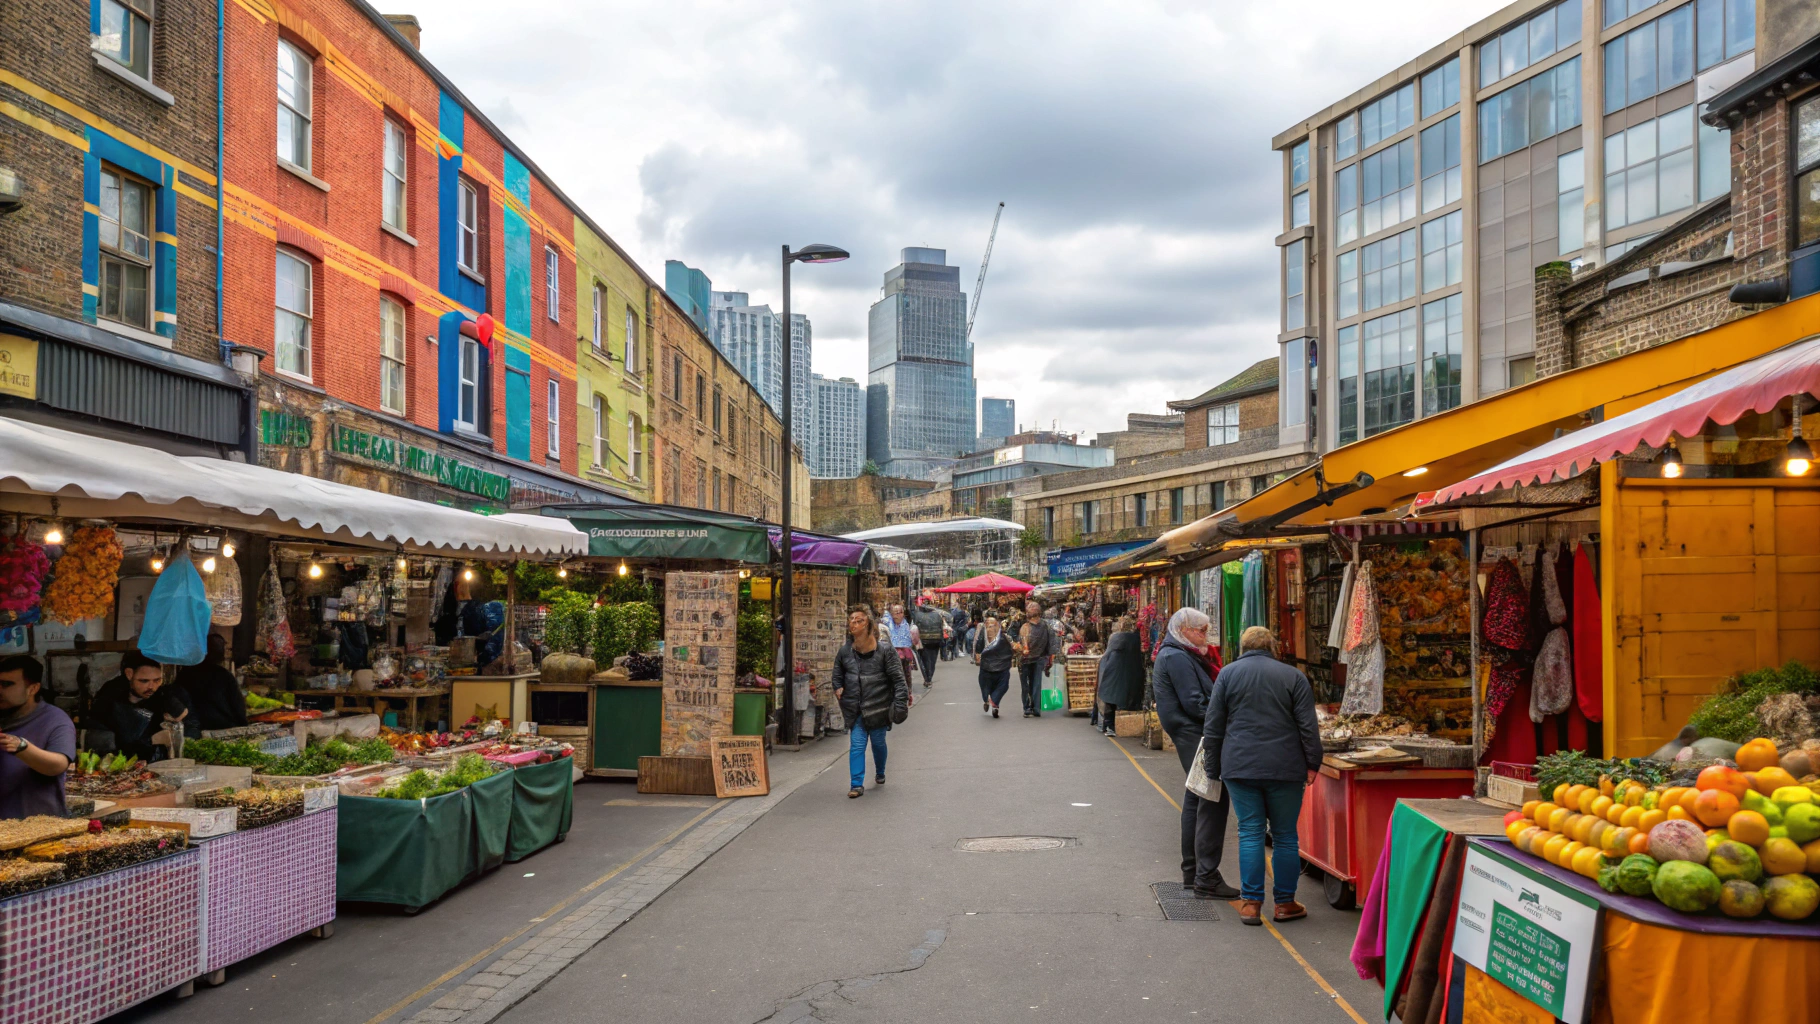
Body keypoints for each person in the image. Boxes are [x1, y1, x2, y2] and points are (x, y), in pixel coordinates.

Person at [1202, 626, 1323, 926]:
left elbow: (1214, 727)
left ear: (1243, 647)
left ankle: (1251, 904)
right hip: (1285, 767)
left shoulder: (1227, 675)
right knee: (1284, 835)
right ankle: (1284, 904)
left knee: (1250, 831)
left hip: (1240, 767)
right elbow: (1309, 728)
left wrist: (1212, 767)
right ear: (1273, 647)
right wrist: (1313, 764)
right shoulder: (1294, 677)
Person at [1152, 607, 1237, 898]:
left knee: (1197, 799)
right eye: (1200, 630)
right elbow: (1195, 703)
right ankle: (1206, 877)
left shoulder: (1178, 654)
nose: (1204, 635)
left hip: (1192, 734)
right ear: (1184, 630)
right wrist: (1227, 718)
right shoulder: (1176, 656)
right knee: (1212, 799)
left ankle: (1194, 872)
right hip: (1196, 735)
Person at [832, 605, 910, 798]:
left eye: (860, 620)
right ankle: (856, 784)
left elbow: (898, 680)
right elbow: (837, 672)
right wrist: (838, 687)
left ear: (869, 625)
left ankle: (880, 771)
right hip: (855, 707)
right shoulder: (845, 652)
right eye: (852, 620)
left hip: (879, 707)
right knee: (857, 744)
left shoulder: (885, 651)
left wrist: (900, 704)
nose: (854, 624)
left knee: (877, 742)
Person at [0, 655, 75, 819]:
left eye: (7, 684)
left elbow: (58, 764)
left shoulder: (55, 720)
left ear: (33, 689)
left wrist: (22, 747)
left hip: (35, 829)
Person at [88, 651, 189, 761]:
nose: (152, 687)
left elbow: (183, 715)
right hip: (117, 761)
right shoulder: (112, 694)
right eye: (144, 681)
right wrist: (153, 739)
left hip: (154, 761)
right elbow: (122, 740)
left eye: (157, 680)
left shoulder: (160, 692)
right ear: (129, 674)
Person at [173, 633, 248, 734]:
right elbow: (238, 706)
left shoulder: (185, 673)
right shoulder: (224, 675)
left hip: (194, 729)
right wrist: (244, 727)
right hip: (222, 727)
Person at [1095, 616, 1144, 736]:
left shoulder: (1115, 637)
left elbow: (1107, 654)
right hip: (1132, 672)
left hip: (1114, 673)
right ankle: (1129, 725)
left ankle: (1110, 726)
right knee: (1128, 698)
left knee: (1111, 698)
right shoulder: (1137, 639)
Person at [1015, 599, 1055, 718]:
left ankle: (1027, 708)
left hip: (1025, 659)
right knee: (1036, 683)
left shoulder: (1025, 627)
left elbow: (1021, 644)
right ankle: (1036, 708)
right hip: (1039, 658)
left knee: (1025, 684)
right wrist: (1049, 660)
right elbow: (1051, 644)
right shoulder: (1046, 626)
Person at [971, 612, 1014, 717]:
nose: (991, 628)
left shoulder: (1004, 637)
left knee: (1000, 685)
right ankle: (989, 701)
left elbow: (1011, 649)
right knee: (988, 685)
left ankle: (994, 703)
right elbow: (977, 649)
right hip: (989, 667)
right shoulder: (984, 637)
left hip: (999, 667)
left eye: (993, 625)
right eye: (989, 626)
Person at [911, 597, 945, 686]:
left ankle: (927, 678)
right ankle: (929, 677)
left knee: (923, 660)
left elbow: (914, 628)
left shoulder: (917, 615)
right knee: (932, 660)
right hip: (935, 640)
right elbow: (941, 629)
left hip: (923, 641)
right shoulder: (937, 615)